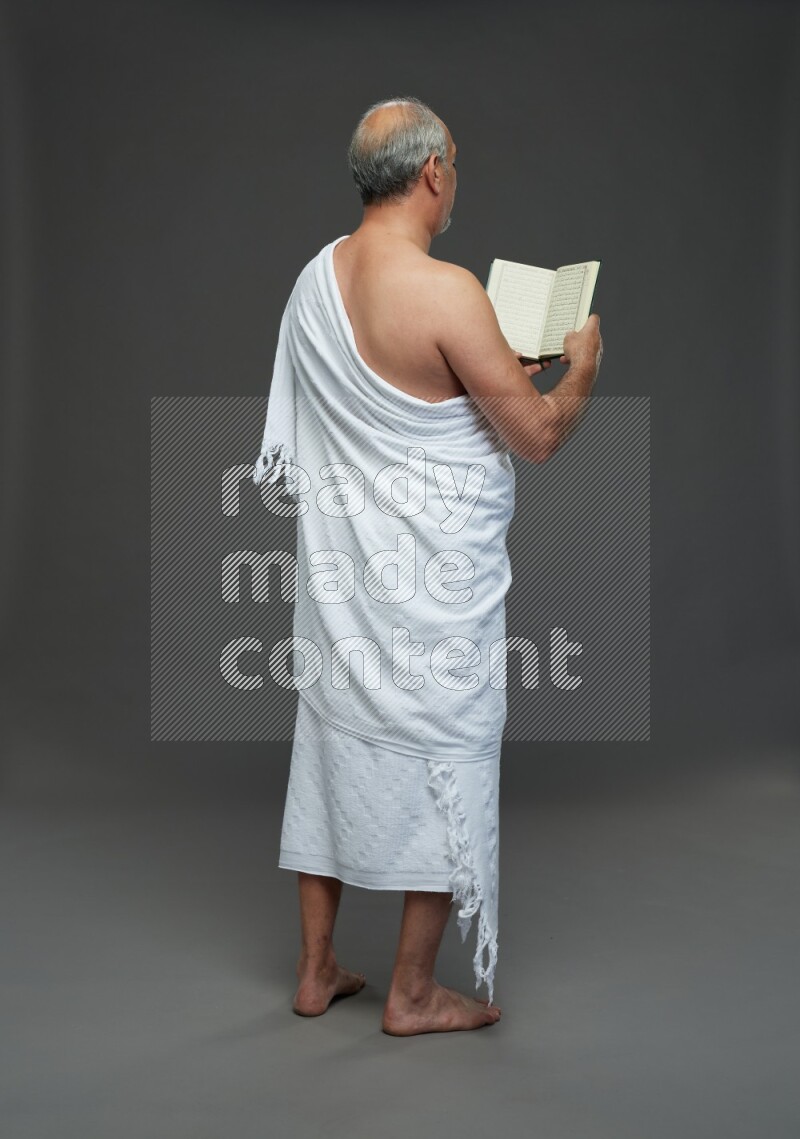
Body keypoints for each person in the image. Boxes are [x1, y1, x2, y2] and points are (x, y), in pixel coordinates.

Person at [253, 96, 602, 1035]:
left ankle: (317, 966)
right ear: (433, 173)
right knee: (451, 752)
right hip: (431, 601)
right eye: (456, 162)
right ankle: (411, 991)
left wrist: (491, 372)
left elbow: (406, 407)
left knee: (330, 744)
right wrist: (580, 372)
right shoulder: (448, 292)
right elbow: (530, 437)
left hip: (342, 588)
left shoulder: (312, 278)